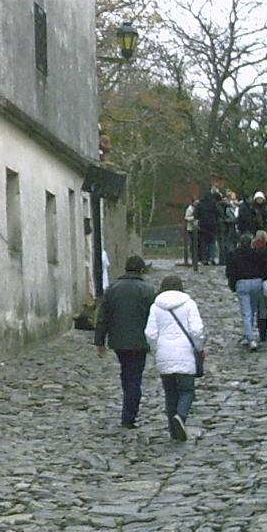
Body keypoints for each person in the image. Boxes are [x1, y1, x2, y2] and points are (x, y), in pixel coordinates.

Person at [92, 255, 156, 429]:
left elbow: (103, 317)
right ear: (141, 270)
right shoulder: (148, 290)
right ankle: (129, 416)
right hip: (139, 342)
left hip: (119, 342)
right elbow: (154, 318)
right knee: (135, 378)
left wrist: (100, 342)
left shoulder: (113, 289)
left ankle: (128, 409)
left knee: (127, 374)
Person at [145, 274, 206, 441]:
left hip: (164, 354)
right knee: (187, 391)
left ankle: (173, 431)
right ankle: (181, 416)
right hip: (185, 353)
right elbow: (197, 330)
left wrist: (157, 348)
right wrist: (199, 348)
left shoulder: (155, 307)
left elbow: (150, 333)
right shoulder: (189, 304)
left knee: (170, 393)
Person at [225, 230, 267, 348]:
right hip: (256, 282)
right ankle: (250, 334)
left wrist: (232, 285)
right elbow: (266, 268)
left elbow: (230, 272)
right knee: (253, 310)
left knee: (246, 312)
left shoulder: (234, 255)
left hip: (242, 283)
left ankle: (250, 337)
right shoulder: (257, 253)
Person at [194, 187, 221, 267]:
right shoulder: (213, 204)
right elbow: (218, 214)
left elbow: (196, 214)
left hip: (203, 226)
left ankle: (204, 259)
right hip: (212, 225)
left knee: (204, 243)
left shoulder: (200, 204)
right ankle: (211, 259)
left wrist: (197, 222)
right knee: (212, 243)